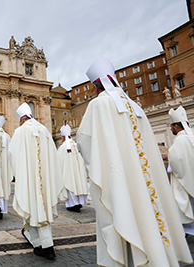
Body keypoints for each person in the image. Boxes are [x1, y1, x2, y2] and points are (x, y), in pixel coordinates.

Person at [77, 57, 192, 266]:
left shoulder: (98, 105)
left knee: (125, 215)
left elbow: (85, 142)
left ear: (96, 86)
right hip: (147, 183)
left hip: (120, 179)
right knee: (149, 217)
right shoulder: (135, 107)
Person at [8, 103, 64, 260]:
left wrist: (19, 174)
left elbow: (12, 155)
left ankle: (47, 247)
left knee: (32, 205)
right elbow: (53, 154)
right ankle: (38, 242)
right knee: (41, 207)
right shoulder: (44, 130)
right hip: (45, 180)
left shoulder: (20, 131)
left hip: (29, 178)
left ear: (22, 119)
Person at [168, 105, 194, 236]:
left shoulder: (179, 140)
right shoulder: (192, 136)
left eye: (172, 126)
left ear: (177, 127)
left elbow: (175, 161)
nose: (171, 129)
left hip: (184, 183)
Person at [57, 124, 88, 213]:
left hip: (69, 172)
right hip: (78, 172)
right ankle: (79, 202)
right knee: (78, 184)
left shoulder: (63, 147)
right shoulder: (75, 145)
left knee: (70, 184)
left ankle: (73, 204)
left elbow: (58, 160)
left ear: (63, 138)